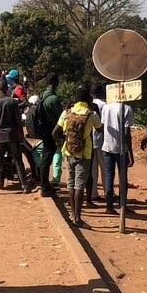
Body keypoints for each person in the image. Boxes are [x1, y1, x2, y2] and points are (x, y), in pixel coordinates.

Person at [54, 85, 102, 227]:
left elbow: (55, 132)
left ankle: (71, 216)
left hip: (68, 151)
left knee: (70, 183)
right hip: (84, 153)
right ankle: (78, 218)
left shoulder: (67, 112)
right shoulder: (91, 114)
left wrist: (62, 142)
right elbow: (100, 129)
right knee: (79, 185)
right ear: (88, 98)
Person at [0, 78, 31, 194]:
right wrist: (20, 135)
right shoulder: (13, 102)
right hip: (12, 136)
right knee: (18, 161)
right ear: (7, 89)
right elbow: (18, 121)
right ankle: (24, 186)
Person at [100, 94, 134, 216]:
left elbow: (103, 126)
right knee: (123, 177)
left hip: (107, 146)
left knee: (109, 176)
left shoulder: (106, 107)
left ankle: (109, 206)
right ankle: (123, 205)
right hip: (121, 148)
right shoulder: (127, 109)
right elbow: (127, 133)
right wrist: (130, 152)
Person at [37, 73, 64, 197]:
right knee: (47, 160)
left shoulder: (44, 95)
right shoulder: (53, 99)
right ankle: (45, 187)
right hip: (51, 132)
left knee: (45, 159)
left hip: (44, 130)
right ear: (56, 82)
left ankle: (45, 185)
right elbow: (60, 119)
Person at [87, 84, 106, 205]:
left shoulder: (88, 104)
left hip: (89, 139)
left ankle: (93, 193)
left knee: (92, 168)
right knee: (105, 167)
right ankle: (107, 192)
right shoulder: (104, 105)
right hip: (102, 139)